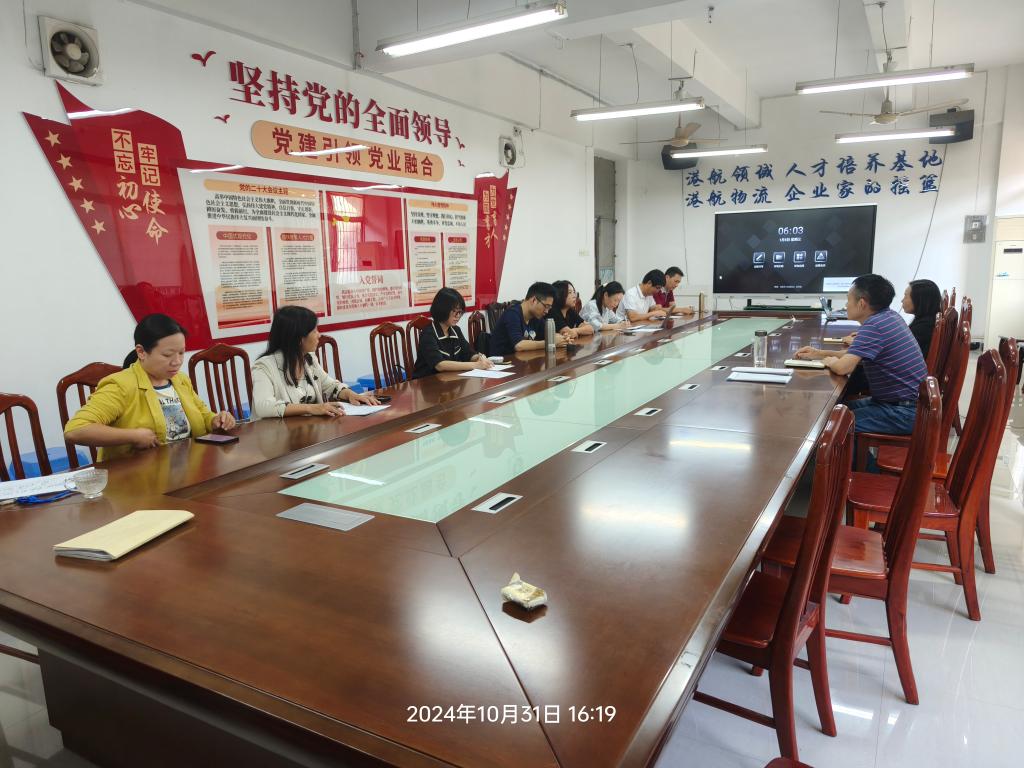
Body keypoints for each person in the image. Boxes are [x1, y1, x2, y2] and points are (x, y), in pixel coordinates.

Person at [64, 314, 236, 462]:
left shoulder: (180, 380)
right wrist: (133, 436)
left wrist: (216, 420)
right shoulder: (121, 386)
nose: (177, 361)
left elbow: (203, 414)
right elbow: (76, 430)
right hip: (138, 477)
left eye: (181, 353)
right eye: (167, 355)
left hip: (187, 468)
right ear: (141, 352)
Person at [796, 274, 926, 434]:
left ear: (861, 303)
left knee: (831, 425)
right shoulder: (889, 316)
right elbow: (852, 354)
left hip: (903, 412)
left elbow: (843, 368)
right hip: (904, 404)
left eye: (848, 300)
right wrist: (819, 353)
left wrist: (830, 361)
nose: (846, 305)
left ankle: (858, 451)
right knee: (830, 411)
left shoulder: (874, 326)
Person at [252, 306, 379, 419]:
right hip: (279, 434)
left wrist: (350, 394)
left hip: (309, 430)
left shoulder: (308, 359)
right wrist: (312, 408)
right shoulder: (264, 367)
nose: (319, 335)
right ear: (299, 338)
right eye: (314, 331)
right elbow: (264, 407)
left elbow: (330, 385)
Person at [840, 278, 943, 357]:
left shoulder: (924, 328)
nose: (902, 300)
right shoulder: (927, 321)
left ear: (920, 300)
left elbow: (892, 350)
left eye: (906, 296)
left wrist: (860, 343)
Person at [413, 288, 495, 378]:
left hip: (449, 379)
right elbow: (440, 365)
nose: (458, 316)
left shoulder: (456, 330)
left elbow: (468, 353)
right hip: (426, 382)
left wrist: (479, 358)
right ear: (442, 310)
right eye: (454, 311)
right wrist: (476, 365)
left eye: (460, 312)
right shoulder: (428, 333)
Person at [490, 282, 569, 355]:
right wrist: (550, 343)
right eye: (546, 306)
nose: (547, 311)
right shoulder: (512, 314)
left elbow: (549, 335)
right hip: (502, 362)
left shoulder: (536, 316)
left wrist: (563, 338)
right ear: (534, 300)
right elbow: (519, 345)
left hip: (522, 360)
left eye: (549, 308)